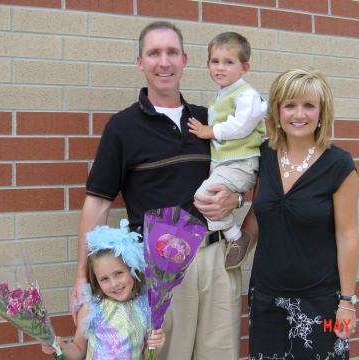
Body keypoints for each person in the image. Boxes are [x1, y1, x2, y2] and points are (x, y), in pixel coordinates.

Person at [70, 21, 242, 360]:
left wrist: (235, 199)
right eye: (154, 53)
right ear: (140, 62)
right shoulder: (122, 128)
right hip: (162, 267)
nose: (164, 62)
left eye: (172, 52)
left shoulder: (211, 121)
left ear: (184, 59)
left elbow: (242, 175)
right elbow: (97, 204)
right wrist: (82, 278)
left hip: (216, 259)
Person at [242, 69, 359, 359]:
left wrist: (347, 301)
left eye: (309, 105)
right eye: (290, 105)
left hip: (319, 300)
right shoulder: (264, 156)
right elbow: (259, 214)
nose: (299, 114)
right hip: (266, 298)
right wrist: (234, 248)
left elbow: (347, 236)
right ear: (277, 111)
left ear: (322, 113)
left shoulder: (339, 164)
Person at [187, 32, 267, 270]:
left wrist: (209, 131)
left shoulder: (247, 95)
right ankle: (233, 236)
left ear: (245, 67)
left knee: (203, 197)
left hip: (241, 163)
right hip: (227, 163)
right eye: (215, 61)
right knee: (207, 198)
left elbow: (242, 126)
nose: (220, 68)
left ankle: (235, 237)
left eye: (228, 62)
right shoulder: (220, 97)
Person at [42, 220, 165, 359]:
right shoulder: (91, 308)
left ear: (132, 269)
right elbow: (78, 350)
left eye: (119, 273)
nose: (114, 284)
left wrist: (156, 345)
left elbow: (147, 355)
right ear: (96, 281)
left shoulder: (146, 307)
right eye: (104, 279)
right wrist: (59, 347)